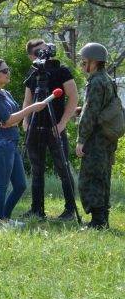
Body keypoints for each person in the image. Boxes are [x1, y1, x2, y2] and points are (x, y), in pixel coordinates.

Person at [0, 59, 47, 227]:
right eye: (4, 71)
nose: (8, 73)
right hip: (0, 144)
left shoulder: (5, 94)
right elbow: (11, 117)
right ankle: (0, 222)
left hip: (10, 143)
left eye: (8, 69)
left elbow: (13, 118)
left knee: (20, 185)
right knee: (2, 185)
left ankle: (5, 220)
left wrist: (9, 121)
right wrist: (32, 108)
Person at [21, 39, 79, 220]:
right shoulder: (33, 73)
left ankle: (70, 210)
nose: (45, 53)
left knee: (63, 169)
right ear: (32, 55)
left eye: (46, 49)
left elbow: (73, 97)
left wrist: (62, 124)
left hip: (55, 128)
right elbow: (28, 101)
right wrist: (25, 121)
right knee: (37, 171)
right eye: (40, 51)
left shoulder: (62, 71)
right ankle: (37, 210)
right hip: (35, 128)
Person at [76, 42, 118, 229]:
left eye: (84, 61)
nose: (83, 65)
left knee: (90, 178)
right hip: (108, 139)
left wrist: (81, 140)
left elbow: (90, 115)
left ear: (94, 62)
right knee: (102, 178)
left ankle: (97, 222)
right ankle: (102, 220)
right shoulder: (108, 79)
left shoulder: (96, 82)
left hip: (96, 140)